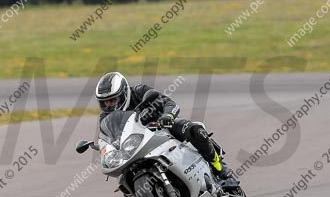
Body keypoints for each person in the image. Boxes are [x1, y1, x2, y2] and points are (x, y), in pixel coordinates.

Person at [95, 71, 238, 188]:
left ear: (124, 94)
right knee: (122, 178)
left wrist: (167, 116)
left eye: (112, 100)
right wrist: (105, 148)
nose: (109, 105)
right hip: (136, 143)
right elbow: (108, 136)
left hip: (163, 128)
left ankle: (219, 167)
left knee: (194, 129)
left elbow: (168, 102)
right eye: (105, 102)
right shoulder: (104, 118)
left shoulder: (140, 91)